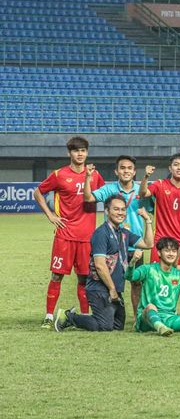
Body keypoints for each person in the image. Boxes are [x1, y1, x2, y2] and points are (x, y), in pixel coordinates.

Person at [54, 197, 154, 332]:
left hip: (116, 288)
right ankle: (69, 317)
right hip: (99, 288)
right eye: (116, 209)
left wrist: (147, 221)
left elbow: (148, 244)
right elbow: (100, 265)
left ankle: (95, 316)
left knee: (117, 327)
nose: (120, 213)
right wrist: (112, 289)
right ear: (107, 211)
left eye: (123, 210)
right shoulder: (101, 233)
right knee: (104, 326)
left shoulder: (124, 232)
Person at [35, 136, 104, 327]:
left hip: (86, 236)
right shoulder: (59, 175)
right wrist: (50, 215)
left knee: (84, 277)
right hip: (64, 235)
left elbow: (105, 195)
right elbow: (38, 192)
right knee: (57, 275)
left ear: (87, 152)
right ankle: (49, 316)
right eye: (76, 150)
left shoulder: (95, 175)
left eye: (83, 150)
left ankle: (83, 316)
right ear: (69, 153)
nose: (80, 154)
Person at [84, 155, 149, 319]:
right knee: (110, 280)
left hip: (135, 244)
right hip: (113, 245)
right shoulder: (109, 189)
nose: (126, 171)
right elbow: (88, 198)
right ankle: (106, 313)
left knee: (136, 283)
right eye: (122, 168)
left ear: (134, 172)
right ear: (116, 171)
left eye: (129, 168)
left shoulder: (143, 190)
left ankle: (137, 318)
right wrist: (87, 178)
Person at [138, 154, 180, 268]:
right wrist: (146, 176)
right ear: (170, 168)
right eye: (176, 165)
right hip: (161, 240)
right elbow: (142, 193)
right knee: (157, 278)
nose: (179, 168)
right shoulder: (160, 184)